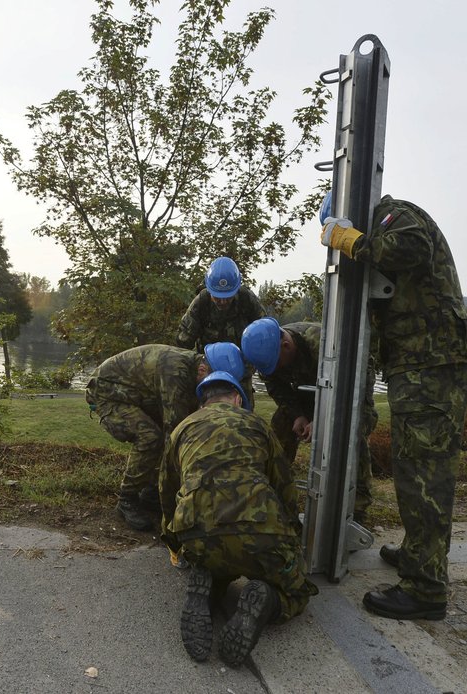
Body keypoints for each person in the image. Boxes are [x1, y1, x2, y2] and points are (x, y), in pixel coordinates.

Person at [320, 194, 467, 620]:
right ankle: (419, 556)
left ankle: (425, 589)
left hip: (430, 361)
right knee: (416, 466)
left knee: (423, 474)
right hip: (421, 362)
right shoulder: (388, 219)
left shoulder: (394, 217)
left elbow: (411, 249)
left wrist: (351, 242)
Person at [159, 370, 317, 666]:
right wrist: (291, 539)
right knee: (297, 593)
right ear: (236, 399)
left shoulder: (182, 428)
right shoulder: (257, 425)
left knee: (216, 557)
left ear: (203, 403)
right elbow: (285, 486)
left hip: (198, 535)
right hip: (261, 533)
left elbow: (167, 491)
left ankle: (208, 585)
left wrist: (175, 542)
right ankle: (267, 599)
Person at [86, 342, 245, 531]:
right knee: (150, 438)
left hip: (137, 395)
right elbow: (176, 432)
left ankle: (151, 492)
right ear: (203, 368)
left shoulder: (193, 370)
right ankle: (127, 499)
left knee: (162, 437)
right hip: (107, 395)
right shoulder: (175, 372)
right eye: (213, 381)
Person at [241, 317, 378, 522]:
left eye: (276, 364)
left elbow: (349, 389)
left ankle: (356, 510)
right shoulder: (267, 352)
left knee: (352, 434)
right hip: (306, 393)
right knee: (281, 424)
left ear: (286, 346)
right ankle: (275, 490)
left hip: (348, 394)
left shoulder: (325, 345)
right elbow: (276, 387)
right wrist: (298, 415)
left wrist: (323, 420)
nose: (274, 369)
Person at [176, 256, 267, 402]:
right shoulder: (201, 303)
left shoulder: (247, 300)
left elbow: (264, 334)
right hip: (209, 372)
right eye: (217, 297)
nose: (223, 301)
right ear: (209, 289)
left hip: (241, 372)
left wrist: (256, 363)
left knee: (242, 415)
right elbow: (182, 344)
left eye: (228, 296)